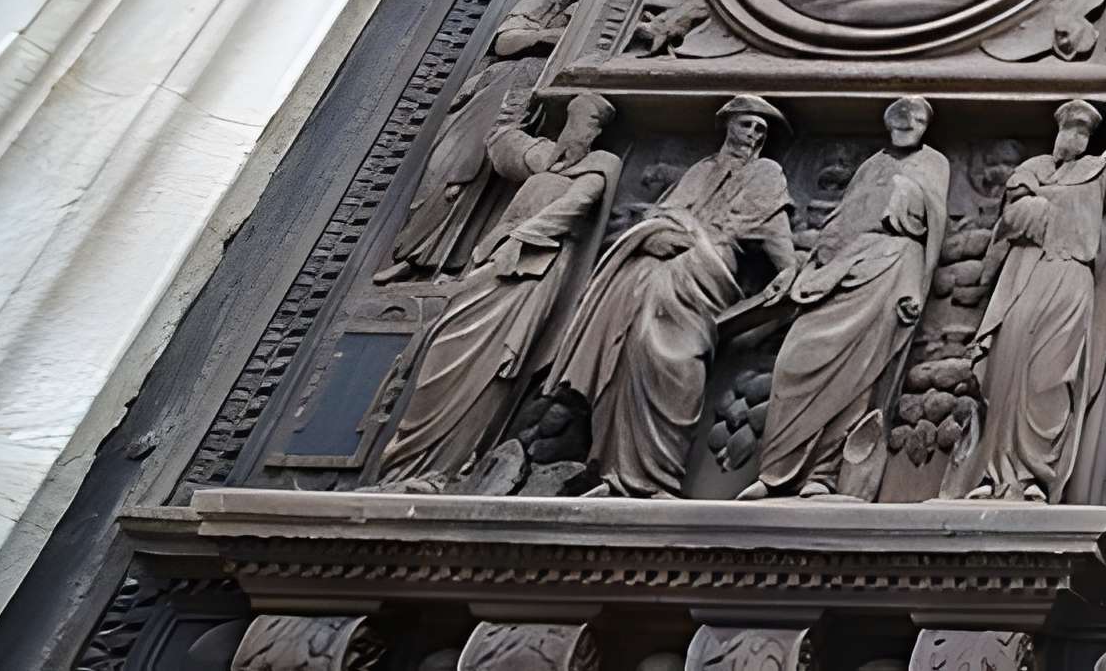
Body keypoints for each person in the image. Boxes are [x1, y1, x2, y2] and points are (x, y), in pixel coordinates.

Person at [548, 95, 794, 497]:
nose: (751, 134)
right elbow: (664, 213)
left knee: (679, 365)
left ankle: (659, 476)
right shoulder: (701, 169)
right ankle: (612, 471)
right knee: (628, 351)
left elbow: (775, 229)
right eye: (746, 124)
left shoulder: (766, 174)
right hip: (655, 274)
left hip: (706, 278)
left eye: (759, 130)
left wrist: (788, 271)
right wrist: (655, 236)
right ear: (728, 124)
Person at [374, 94, 620, 490]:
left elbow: (575, 206)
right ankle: (403, 464)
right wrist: (516, 101)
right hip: (494, 263)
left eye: (591, 125)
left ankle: (445, 468)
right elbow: (502, 144)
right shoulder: (545, 158)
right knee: (442, 346)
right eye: (576, 121)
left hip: (533, 271)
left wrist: (521, 238)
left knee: (492, 365)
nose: (581, 132)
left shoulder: (601, 165)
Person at [950, 94, 1106, 501]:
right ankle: (993, 475)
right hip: (1023, 278)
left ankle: (1034, 476)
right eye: (1069, 128)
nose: (1074, 137)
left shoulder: (1098, 173)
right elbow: (1012, 221)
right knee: (1006, 370)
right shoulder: (1030, 172)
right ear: (1058, 132)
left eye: (1083, 131)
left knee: (1050, 376)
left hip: (1069, 277)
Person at [740, 96, 948, 500]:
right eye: (901, 118)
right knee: (793, 359)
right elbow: (845, 215)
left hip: (892, 264)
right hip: (842, 266)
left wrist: (917, 287)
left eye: (918, 119)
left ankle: (824, 473)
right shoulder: (872, 164)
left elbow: (934, 223)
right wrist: (812, 265)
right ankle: (776, 470)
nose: (909, 124)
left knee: (857, 376)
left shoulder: (933, 163)